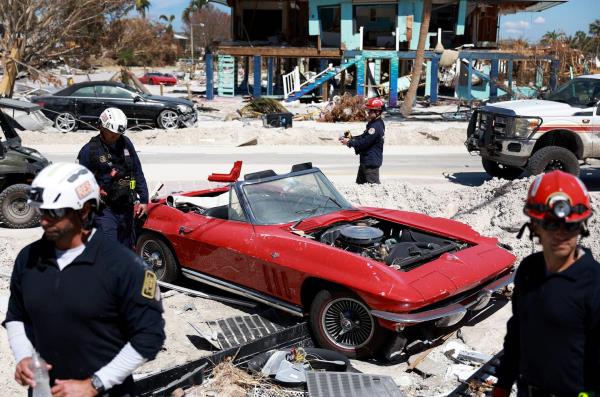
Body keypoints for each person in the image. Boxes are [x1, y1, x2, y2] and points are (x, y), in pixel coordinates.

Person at [3, 162, 165, 397]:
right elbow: (17, 317)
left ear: (85, 210)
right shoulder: (28, 258)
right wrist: (24, 358)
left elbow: (150, 337)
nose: (45, 221)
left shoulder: (124, 265)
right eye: (41, 211)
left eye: (55, 212)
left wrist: (94, 384)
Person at [493, 170, 600, 397]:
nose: (560, 234)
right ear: (535, 226)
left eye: (569, 226)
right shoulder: (528, 271)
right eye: (551, 225)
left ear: (581, 227)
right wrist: (503, 383)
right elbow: (517, 331)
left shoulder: (594, 283)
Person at [77, 107, 148, 248]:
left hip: (127, 205)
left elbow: (137, 170)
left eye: (119, 134)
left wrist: (144, 199)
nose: (116, 137)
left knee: (126, 247)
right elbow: (79, 183)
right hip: (105, 210)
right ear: (102, 128)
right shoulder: (89, 151)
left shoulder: (126, 143)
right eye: (112, 134)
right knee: (109, 248)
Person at [339, 97, 385, 184]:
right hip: (366, 161)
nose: (368, 113)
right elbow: (364, 137)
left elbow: (364, 142)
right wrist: (351, 138)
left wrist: (349, 142)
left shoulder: (375, 127)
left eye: (370, 111)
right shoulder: (373, 123)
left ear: (377, 111)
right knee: (360, 187)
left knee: (374, 189)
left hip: (370, 163)